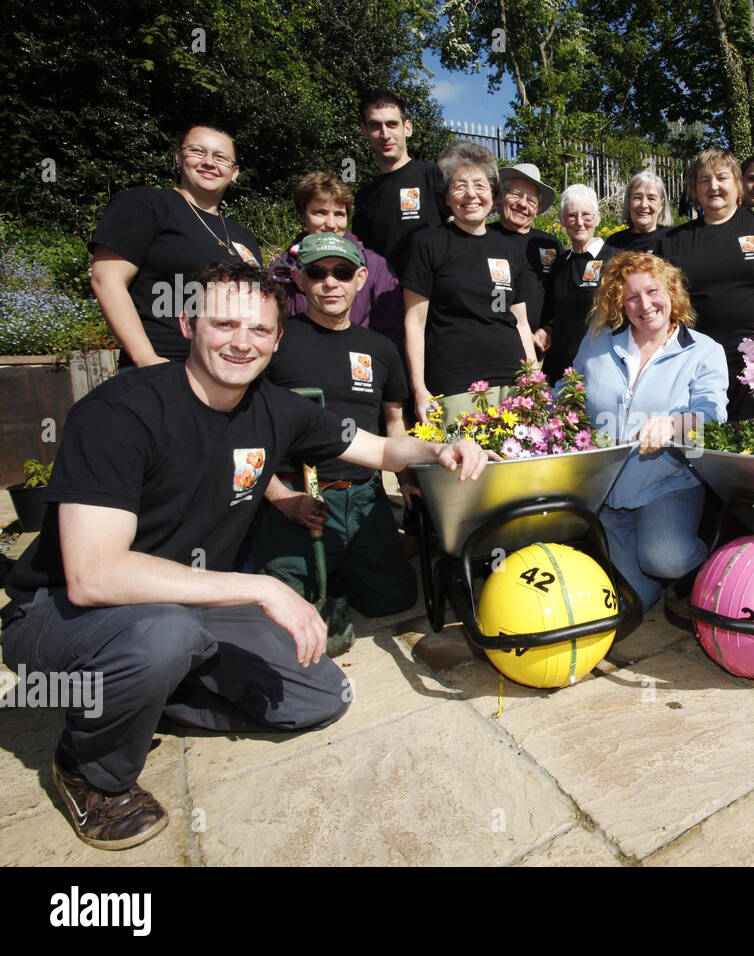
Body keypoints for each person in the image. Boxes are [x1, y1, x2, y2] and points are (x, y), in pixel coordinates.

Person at [0, 261, 489, 851]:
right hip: (61, 612)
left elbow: (381, 448)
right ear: (188, 323)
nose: (242, 342)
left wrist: (441, 447)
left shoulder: (276, 409)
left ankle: (146, 696)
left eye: (259, 330)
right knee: (162, 636)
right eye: (224, 323)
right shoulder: (119, 412)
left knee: (318, 697)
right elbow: (93, 574)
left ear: (277, 340)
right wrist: (263, 587)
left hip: (190, 601)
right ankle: (91, 770)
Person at [255, 235, 415, 654]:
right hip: (297, 496)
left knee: (394, 601)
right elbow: (246, 431)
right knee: (283, 624)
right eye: (317, 272)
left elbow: (395, 422)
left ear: (360, 278)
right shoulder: (275, 342)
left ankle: (341, 578)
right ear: (298, 278)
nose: (330, 283)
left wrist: (409, 478)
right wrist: (279, 497)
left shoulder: (380, 349)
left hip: (363, 497)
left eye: (342, 272)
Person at [574, 252, 728, 610]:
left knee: (666, 559)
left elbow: (712, 414)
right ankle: (648, 579)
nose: (645, 305)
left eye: (653, 291)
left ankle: (713, 564)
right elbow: (566, 394)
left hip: (666, 484)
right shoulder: (597, 342)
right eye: (631, 297)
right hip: (606, 493)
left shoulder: (703, 351)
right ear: (619, 304)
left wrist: (673, 423)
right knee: (634, 600)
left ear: (672, 292)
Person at [89, 123, 262, 368]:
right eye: (198, 151)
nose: (209, 162)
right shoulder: (144, 205)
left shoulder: (243, 235)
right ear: (179, 157)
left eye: (221, 157)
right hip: (166, 367)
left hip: (230, 372)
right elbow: (106, 280)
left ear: (234, 172)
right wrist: (147, 359)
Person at [658, 148, 754, 415]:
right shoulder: (673, 241)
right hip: (700, 373)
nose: (713, 186)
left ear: (737, 184)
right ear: (695, 189)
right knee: (707, 452)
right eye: (704, 180)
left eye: (722, 178)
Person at [400, 146, 536, 423]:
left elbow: (520, 322)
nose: (471, 194)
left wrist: (534, 382)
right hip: (454, 384)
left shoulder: (510, 248)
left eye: (480, 185)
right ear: (447, 197)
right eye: (460, 186)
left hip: (511, 383)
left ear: (493, 195)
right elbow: (415, 323)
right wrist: (420, 390)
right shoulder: (428, 244)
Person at [270, 171, 404, 350]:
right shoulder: (281, 271)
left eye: (339, 214)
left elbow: (392, 335)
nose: (331, 224)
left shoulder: (376, 267)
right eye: (321, 213)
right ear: (302, 216)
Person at [351, 91, 446, 266]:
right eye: (375, 125)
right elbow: (364, 257)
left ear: (407, 128)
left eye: (392, 124)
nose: (385, 134)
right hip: (386, 292)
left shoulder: (433, 175)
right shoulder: (364, 197)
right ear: (364, 131)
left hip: (435, 291)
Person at [488, 162, 562, 353]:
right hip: (497, 346)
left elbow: (564, 294)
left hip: (543, 348)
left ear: (537, 209)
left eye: (531, 200)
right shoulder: (484, 239)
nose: (522, 204)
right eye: (516, 195)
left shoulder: (549, 245)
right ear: (501, 197)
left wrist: (550, 328)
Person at [541, 184, 606, 381]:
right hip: (561, 372)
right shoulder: (560, 263)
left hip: (598, 371)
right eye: (571, 216)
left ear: (597, 218)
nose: (579, 222)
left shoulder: (613, 260)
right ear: (561, 220)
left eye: (586, 215)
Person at [606, 170, 675, 253]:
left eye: (651, 198)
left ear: (662, 205)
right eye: (637, 197)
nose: (643, 205)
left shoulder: (673, 238)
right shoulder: (614, 243)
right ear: (629, 202)